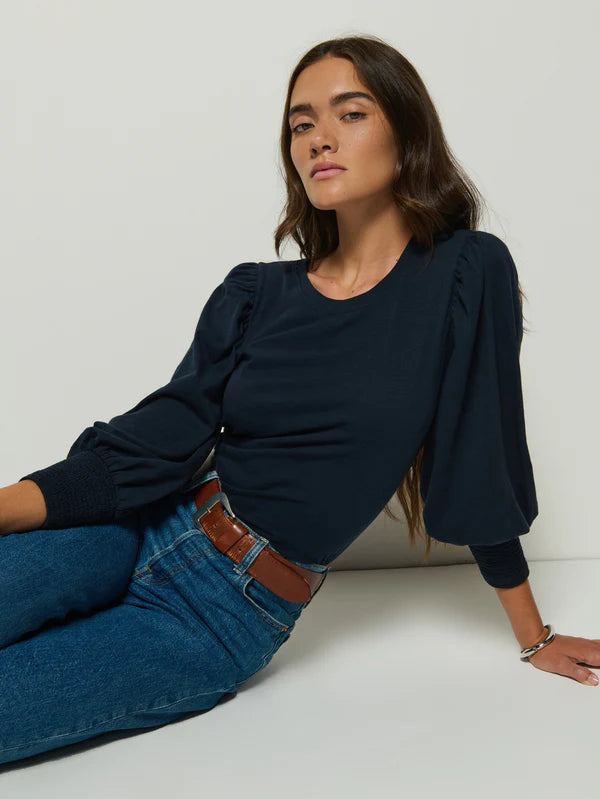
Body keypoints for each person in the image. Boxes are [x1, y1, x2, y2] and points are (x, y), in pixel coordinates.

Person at [2, 34, 599, 768]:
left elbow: (480, 457)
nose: (318, 138)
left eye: (351, 113)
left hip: (220, 611)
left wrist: (535, 637)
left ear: (407, 133)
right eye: (301, 123)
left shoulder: (465, 275)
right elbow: (154, 441)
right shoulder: (255, 292)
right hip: (136, 526)